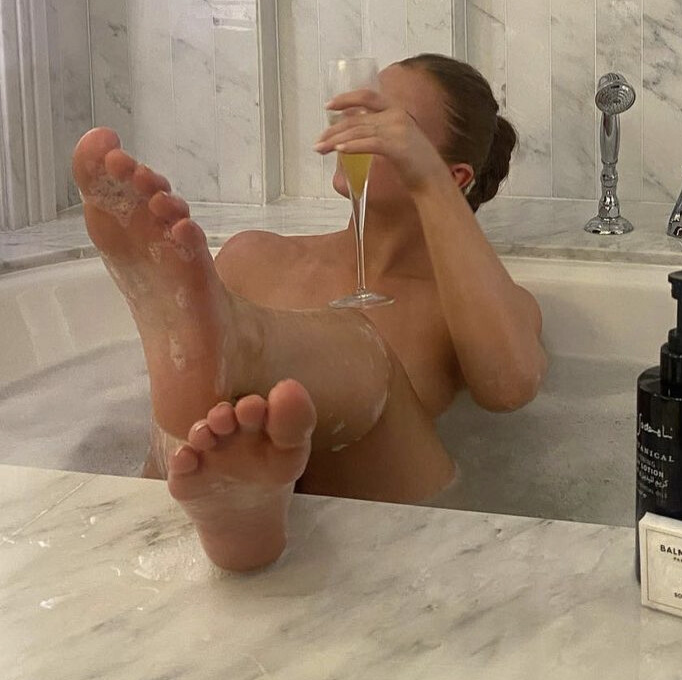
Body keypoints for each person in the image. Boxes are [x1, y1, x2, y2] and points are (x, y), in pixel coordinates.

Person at [71, 54, 546, 574]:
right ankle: (239, 503)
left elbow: (509, 388)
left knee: (359, 349)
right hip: (199, 519)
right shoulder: (257, 258)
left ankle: (246, 358)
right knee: (206, 389)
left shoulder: (473, 307)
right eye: (358, 109)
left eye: (391, 123)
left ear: (454, 176)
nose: (355, 128)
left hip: (394, 539)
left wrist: (426, 178)